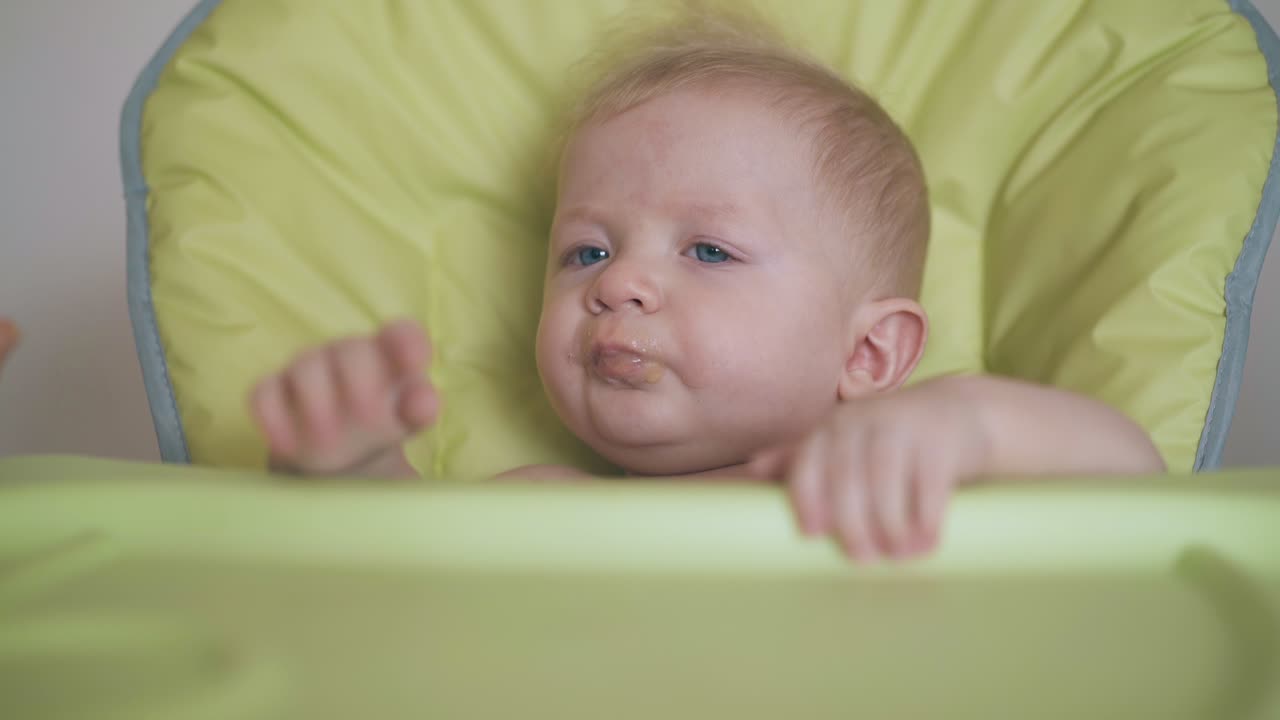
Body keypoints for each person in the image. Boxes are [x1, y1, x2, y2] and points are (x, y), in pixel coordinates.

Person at [249, 7, 1164, 562]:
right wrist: (352, 470)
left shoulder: (904, 474)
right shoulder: (549, 505)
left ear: (870, 350)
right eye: (588, 253)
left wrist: (971, 422)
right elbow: (398, 574)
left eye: (710, 251)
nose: (621, 286)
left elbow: (1137, 479)